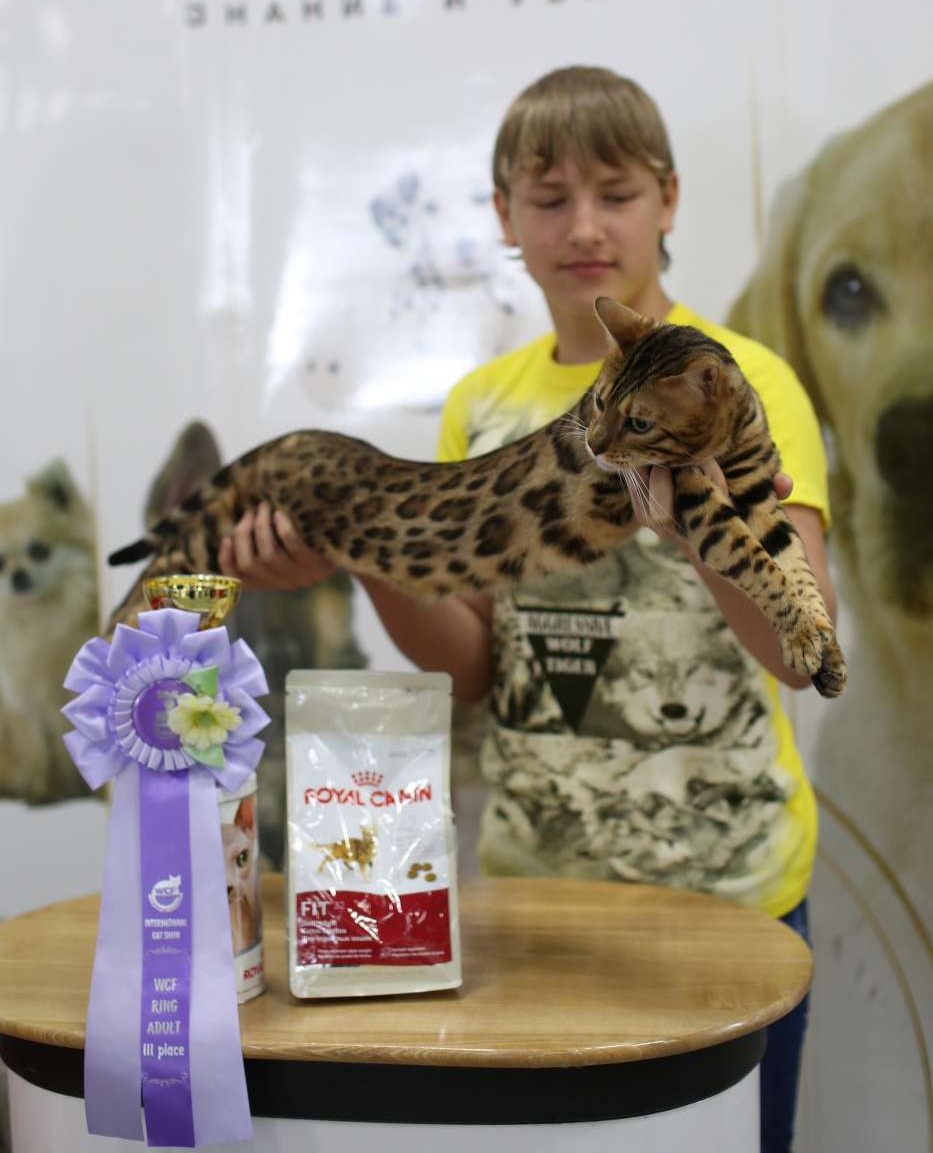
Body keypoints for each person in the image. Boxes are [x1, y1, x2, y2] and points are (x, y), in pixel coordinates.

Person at [219, 66, 835, 1153]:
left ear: (668, 199)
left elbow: (801, 652)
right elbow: (472, 669)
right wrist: (364, 550)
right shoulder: (482, 402)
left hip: (726, 889)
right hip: (534, 896)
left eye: (616, 193)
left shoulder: (747, 381)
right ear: (505, 215)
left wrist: (696, 530)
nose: (584, 226)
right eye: (549, 199)